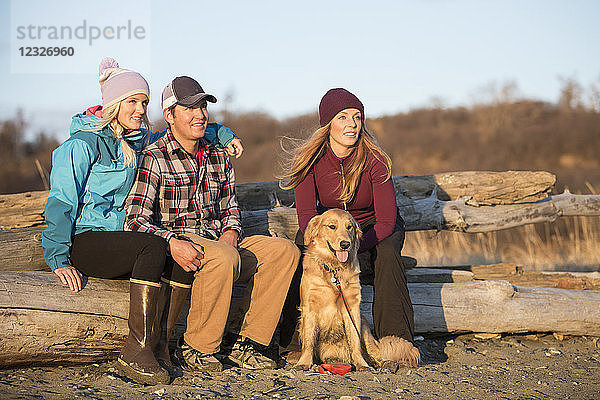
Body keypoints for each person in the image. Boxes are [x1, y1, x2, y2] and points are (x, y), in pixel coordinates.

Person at [41, 58, 241, 385]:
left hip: (123, 240)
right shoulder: (81, 145)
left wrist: (225, 134)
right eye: (132, 101)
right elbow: (61, 202)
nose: (139, 108)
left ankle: (162, 346)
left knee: (179, 251)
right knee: (152, 244)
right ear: (114, 104)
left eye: (144, 102)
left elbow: (183, 131)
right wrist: (58, 258)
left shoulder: (140, 139)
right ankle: (135, 350)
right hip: (86, 240)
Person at [125, 76, 300, 372]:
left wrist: (232, 231)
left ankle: (248, 342)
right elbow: (135, 219)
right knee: (223, 257)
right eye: (190, 109)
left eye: (203, 107)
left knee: (284, 252)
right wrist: (171, 243)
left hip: (220, 245)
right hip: (181, 248)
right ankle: (197, 348)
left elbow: (230, 206)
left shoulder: (219, 155)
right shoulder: (153, 157)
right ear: (169, 115)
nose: (200, 115)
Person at [279, 88, 415, 350]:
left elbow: (387, 219)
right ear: (328, 124)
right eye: (342, 117)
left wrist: (351, 249)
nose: (352, 124)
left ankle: (396, 341)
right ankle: (296, 341)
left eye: (357, 117)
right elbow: (308, 218)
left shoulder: (375, 160)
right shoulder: (310, 160)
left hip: (374, 226)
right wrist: (329, 246)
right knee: (300, 249)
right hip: (331, 228)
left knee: (387, 256)